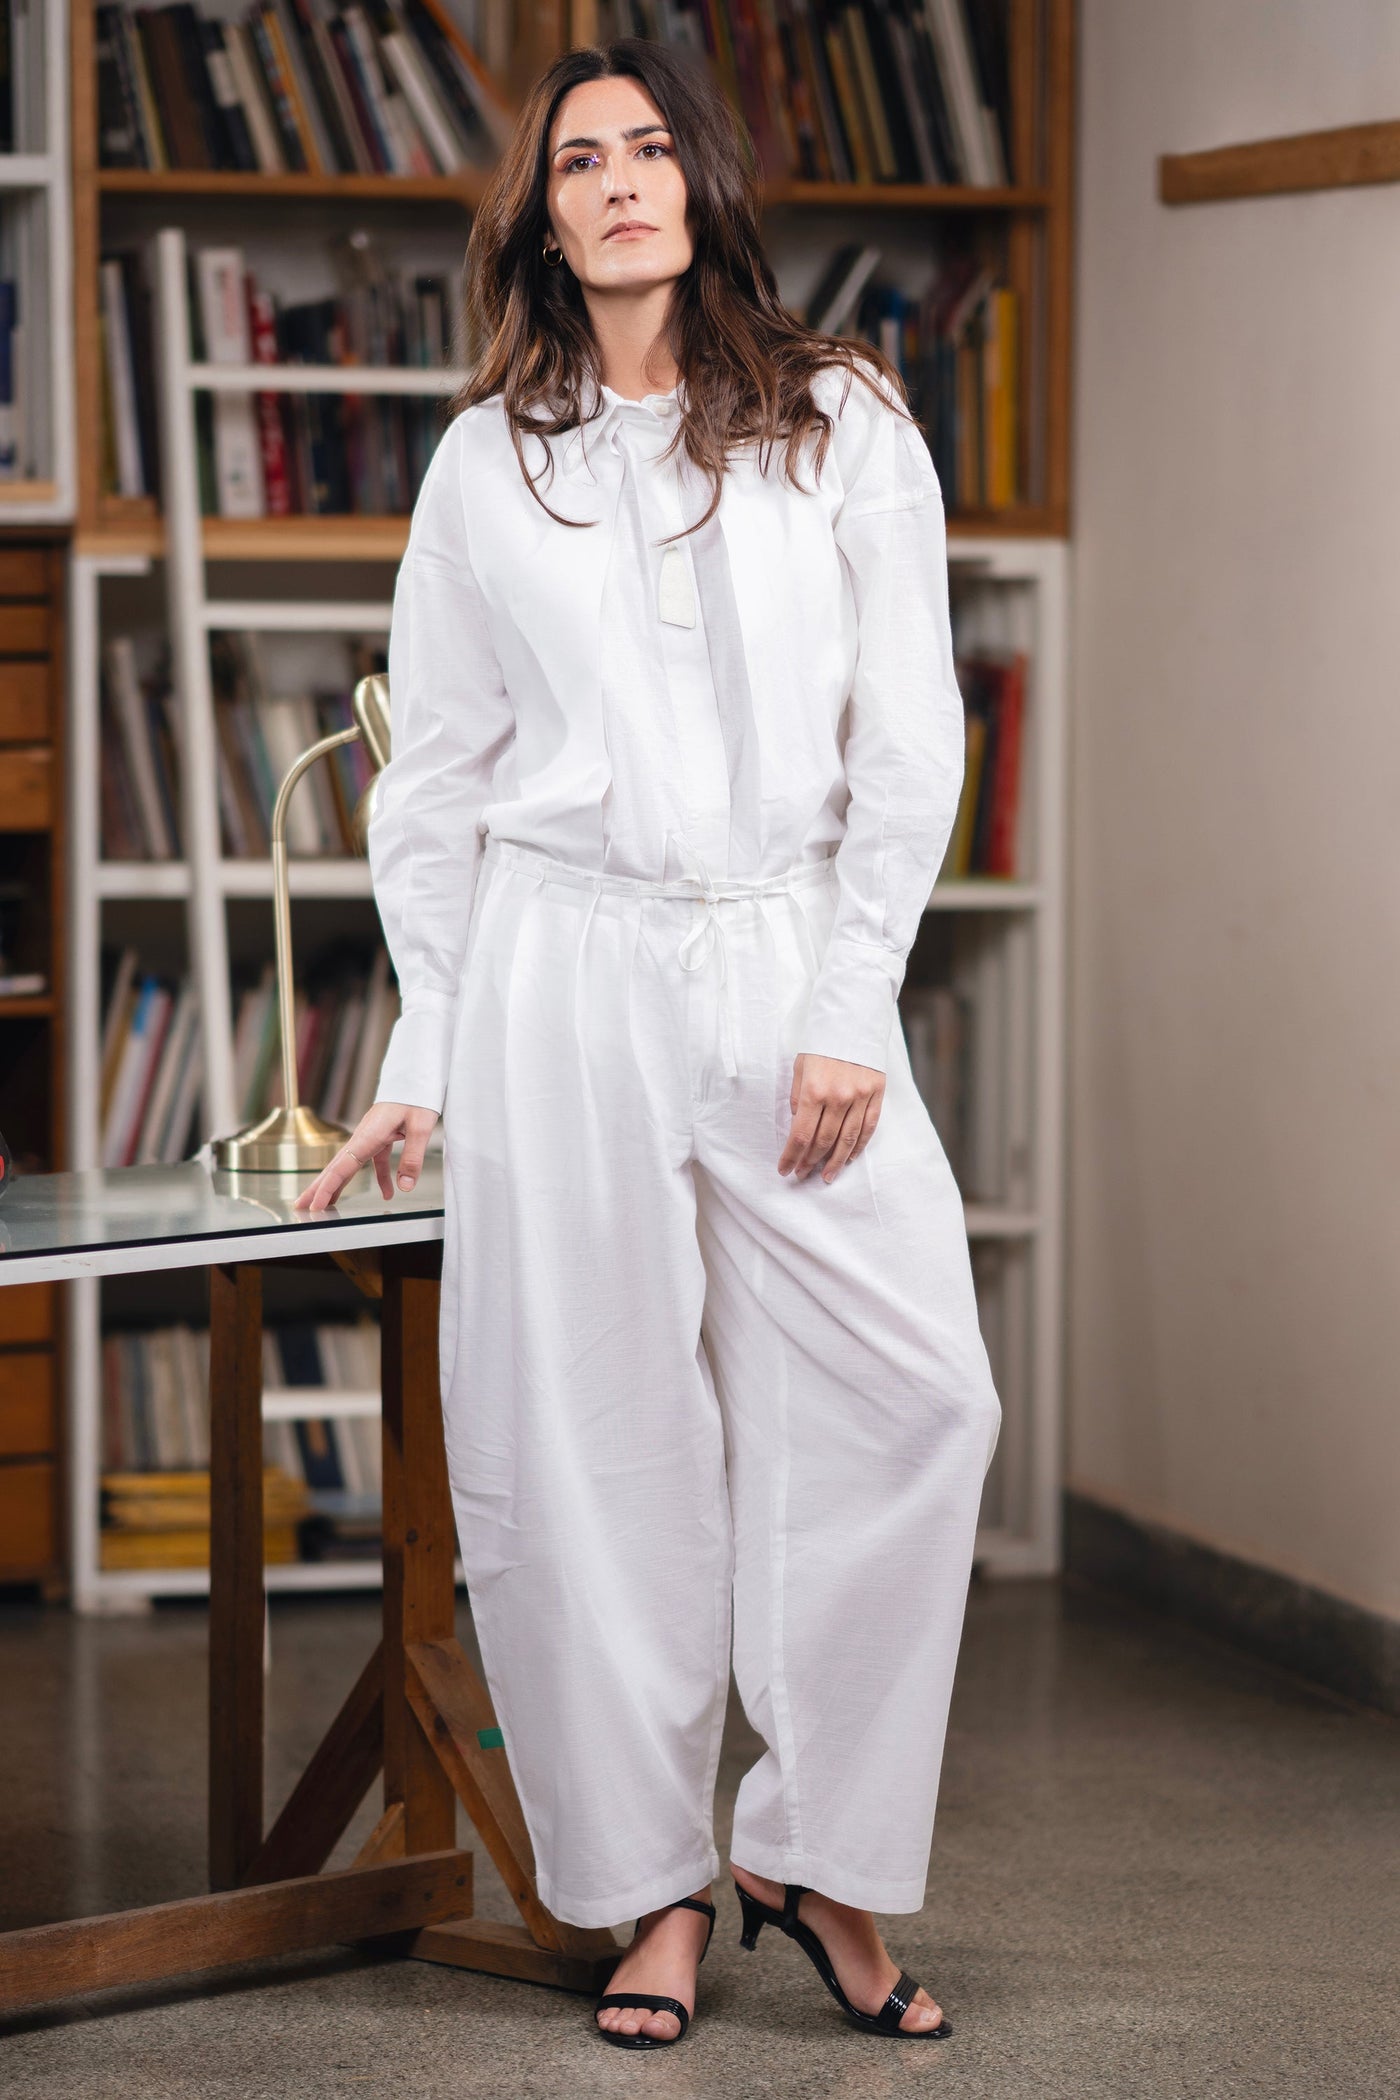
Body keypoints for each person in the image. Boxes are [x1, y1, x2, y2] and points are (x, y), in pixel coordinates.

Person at [295, 35, 1001, 2053]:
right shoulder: (483, 464)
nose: (619, 180)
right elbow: (437, 781)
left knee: (918, 1399)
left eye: (651, 147)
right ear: (539, 214)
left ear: (701, 184)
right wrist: (424, 1056)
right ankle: (652, 1893)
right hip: (561, 973)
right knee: (591, 1443)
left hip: (782, 961)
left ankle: (822, 1854)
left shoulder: (841, 421)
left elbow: (909, 735)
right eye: (579, 159)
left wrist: (850, 1000)